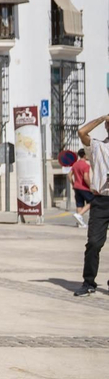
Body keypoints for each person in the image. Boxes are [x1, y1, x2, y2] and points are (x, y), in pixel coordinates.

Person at [74, 114, 109, 296]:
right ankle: (88, 282)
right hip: (101, 201)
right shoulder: (98, 147)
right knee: (94, 243)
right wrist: (103, 118)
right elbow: (82, 132)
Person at [71, 144, 94, 228]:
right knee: (93, 201)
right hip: (84, 187)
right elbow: (86, 177)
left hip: (76, 187)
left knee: (79, 204)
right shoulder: (86, 165)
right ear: (84, 155)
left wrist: (73, 183)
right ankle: (79, 215)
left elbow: (69, 175)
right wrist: (90, 186)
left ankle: (79, 223)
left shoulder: (75, 164)